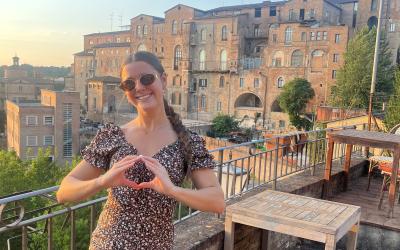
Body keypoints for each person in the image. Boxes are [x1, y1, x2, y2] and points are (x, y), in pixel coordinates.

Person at [56, 51, 225, 249]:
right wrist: (104, 180)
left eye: (146, 79)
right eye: (129, 84)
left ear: (163, 80)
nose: (139, 87)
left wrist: (172, 190)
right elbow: (64, 191)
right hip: (108, 243)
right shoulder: (113, 136)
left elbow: (217, 201)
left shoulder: (188, 141)